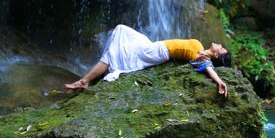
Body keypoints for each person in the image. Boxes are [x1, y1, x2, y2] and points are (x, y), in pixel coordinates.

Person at [65, 24, 232, 96]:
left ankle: (85, 80)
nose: (220, 44)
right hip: (153, 46)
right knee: (120, 32)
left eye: (222, 48)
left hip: (153, 52)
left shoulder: (200, 56)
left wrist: (219, 81)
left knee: (116, 44)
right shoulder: (199, 47)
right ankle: (94, 74)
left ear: (217, 55)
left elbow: (207, 66)